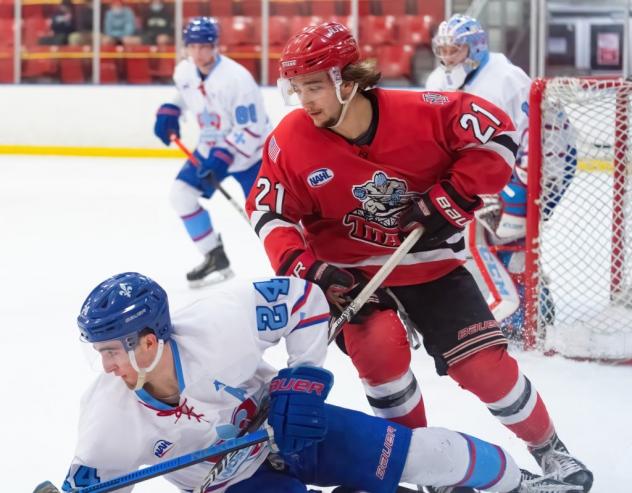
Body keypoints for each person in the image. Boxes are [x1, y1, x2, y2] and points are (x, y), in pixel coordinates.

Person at [244, 22, 592, 492]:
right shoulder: (292, 138)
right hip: (353, 279)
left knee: (483, 367)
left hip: (433, 266)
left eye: (314, 86)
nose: (304, 100)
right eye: (297, 87)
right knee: (379, 352)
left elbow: (498, 137)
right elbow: (269, 210)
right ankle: (427, 464)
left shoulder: (423, 112)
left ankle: (551, 450)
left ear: (347, 81)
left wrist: (448, 199)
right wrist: (307, 268)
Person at [36, 272, 580, 493]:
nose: (107, 366)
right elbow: (94, 481)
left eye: (114, 350)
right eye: (99, 353)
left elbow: (303, 299)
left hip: (293, 424)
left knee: (426, 455)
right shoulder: (108, 417)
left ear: (150, 340)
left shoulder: (221, 323)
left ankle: (524, 483)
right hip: (233, 485)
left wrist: (303, 378)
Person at [426, 14, 577, 340]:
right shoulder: (438, 80)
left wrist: (523, 187)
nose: (449, 57)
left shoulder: (508, 78)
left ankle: (523, 311)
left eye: (457, 50)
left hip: (548, 164)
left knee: (509, 234)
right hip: (494, 167)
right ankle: (527, 304)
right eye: (445, 50)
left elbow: (538, 137)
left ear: (476, 48)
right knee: (484, 237)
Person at [154, 17, 270, 288]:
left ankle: (296, 262)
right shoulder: (184, 71)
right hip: (210, 148)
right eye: (192, 47)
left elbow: (252, 127)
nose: (198, 53)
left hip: (251, 156)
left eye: (204, 46)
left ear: (215, 46)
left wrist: (224, 156)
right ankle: (214, 256)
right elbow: (185, 94)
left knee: (268, 217)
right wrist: (171, 110)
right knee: (181, 195)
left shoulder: (238, 79)